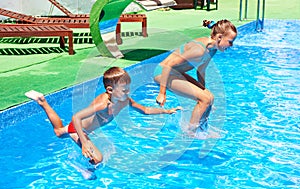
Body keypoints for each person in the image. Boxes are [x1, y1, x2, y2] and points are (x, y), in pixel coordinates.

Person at [25, 67, 181, 165]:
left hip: (87, 129)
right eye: (124, 89)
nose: (128, 92)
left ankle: (42, 101)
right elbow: (76, 118)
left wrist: (166, 111)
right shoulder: (102, 104)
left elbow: (145, 110)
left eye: (128, 88)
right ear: (110, 90)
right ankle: (80, 168)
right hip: (78, 129)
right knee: (98, 159)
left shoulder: (124, 99)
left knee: (59, 132)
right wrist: (84, 143)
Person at [154, 19, 237, 136]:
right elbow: (168, 64)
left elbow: (201, 71)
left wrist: (205, 93)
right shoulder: (199, 50)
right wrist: (162, 93)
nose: (231, 45)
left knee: (209, 98)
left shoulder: (212, 50)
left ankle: (202, 129)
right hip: (162, 73)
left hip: (175, 73)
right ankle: (189, 133)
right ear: (219, 37)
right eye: (230, 41)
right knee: (205, 99)